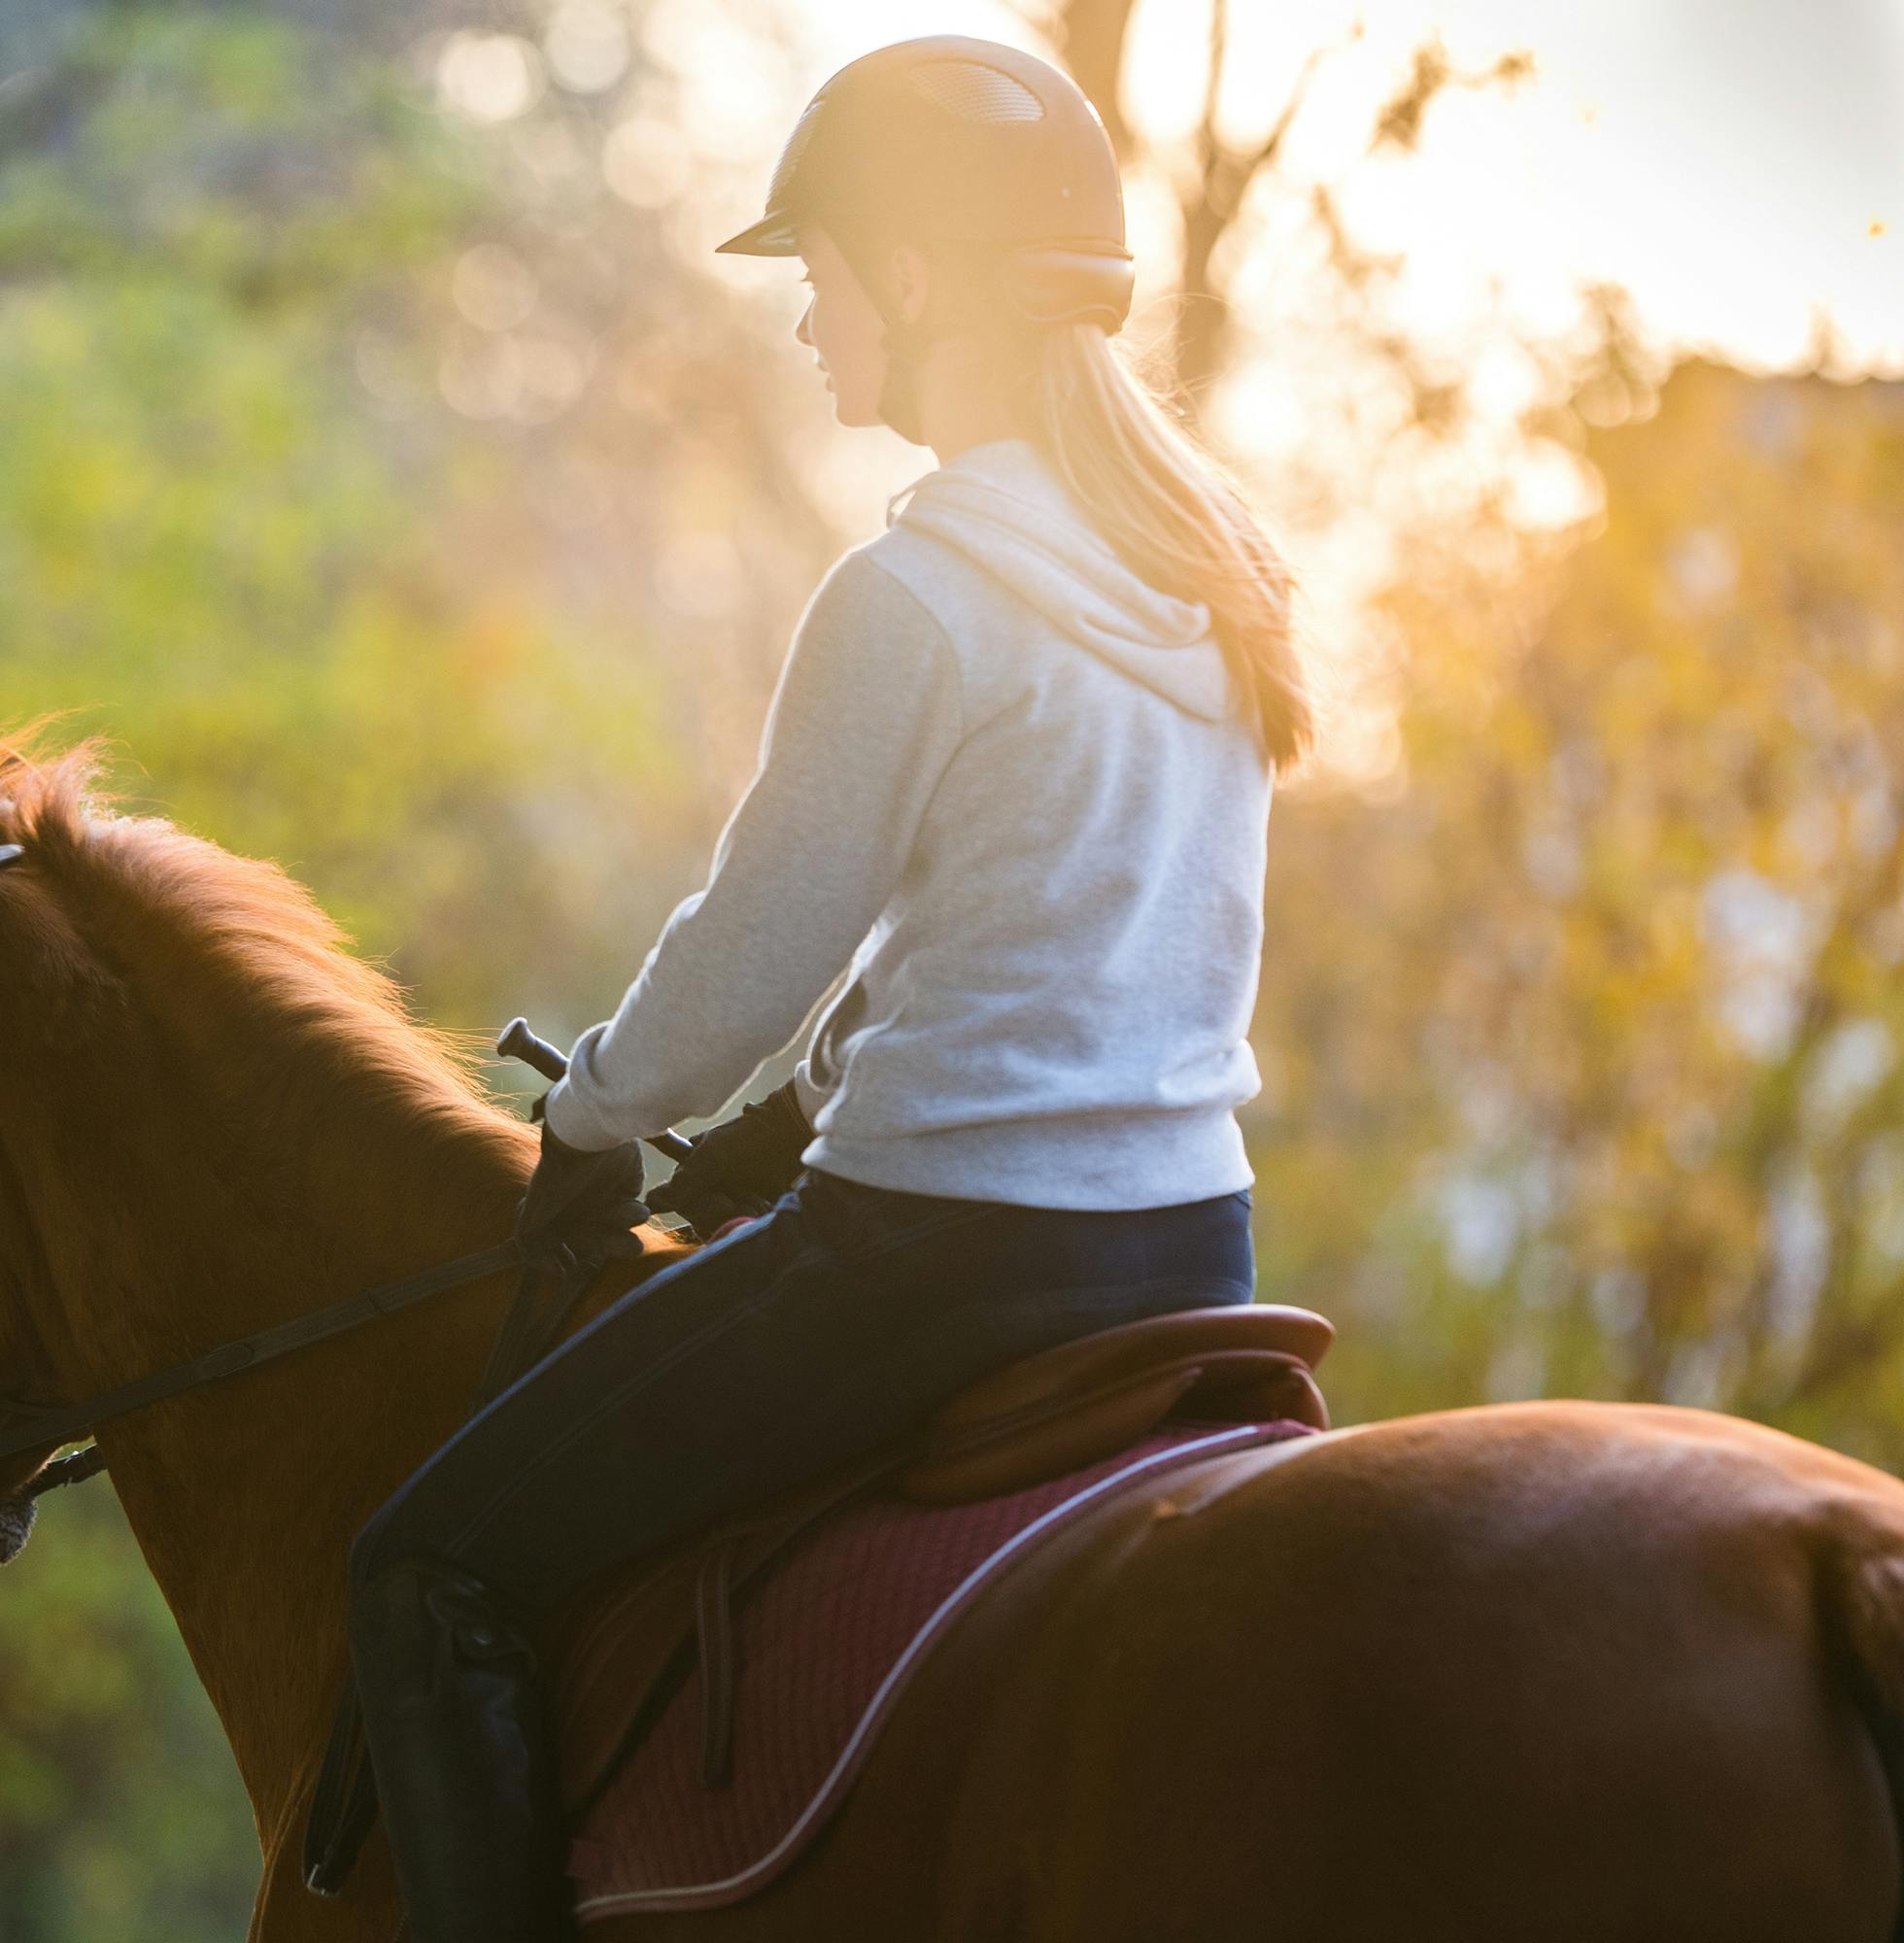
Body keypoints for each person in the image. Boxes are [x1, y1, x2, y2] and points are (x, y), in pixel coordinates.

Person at [328, 36, 1312, 1941]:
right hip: (1196, 1251)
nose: (804, 323)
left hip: (941, 1268)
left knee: (424, 1565)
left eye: (817, 274)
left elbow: (750, 959)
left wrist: (598, 1113)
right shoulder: (1208, 577)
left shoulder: (917, 594)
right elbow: (1059, 940)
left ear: (918, 278)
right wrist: (791, 1121)